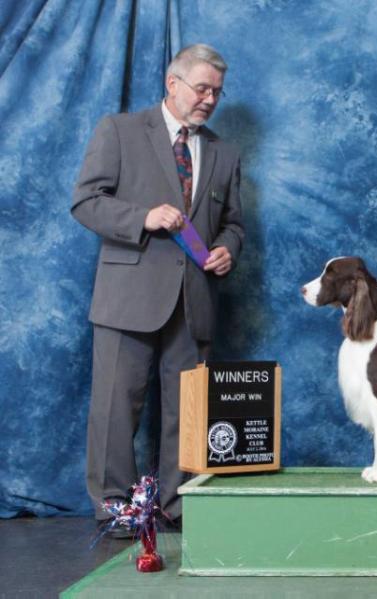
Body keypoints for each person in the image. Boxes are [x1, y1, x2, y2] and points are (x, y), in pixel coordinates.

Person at [72, 44, 244, 533]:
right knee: (114, 407)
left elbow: (233, 223)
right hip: (127, 297)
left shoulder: (225, 152)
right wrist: (142, 218)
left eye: (218, 92)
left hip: (195, 300)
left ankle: (179, 501)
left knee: (187, 412)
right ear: (173, 84)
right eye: (202, 88)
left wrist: (229, 249)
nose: (210, 99)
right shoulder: (120, 131)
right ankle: (115, 505)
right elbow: (86, 202)